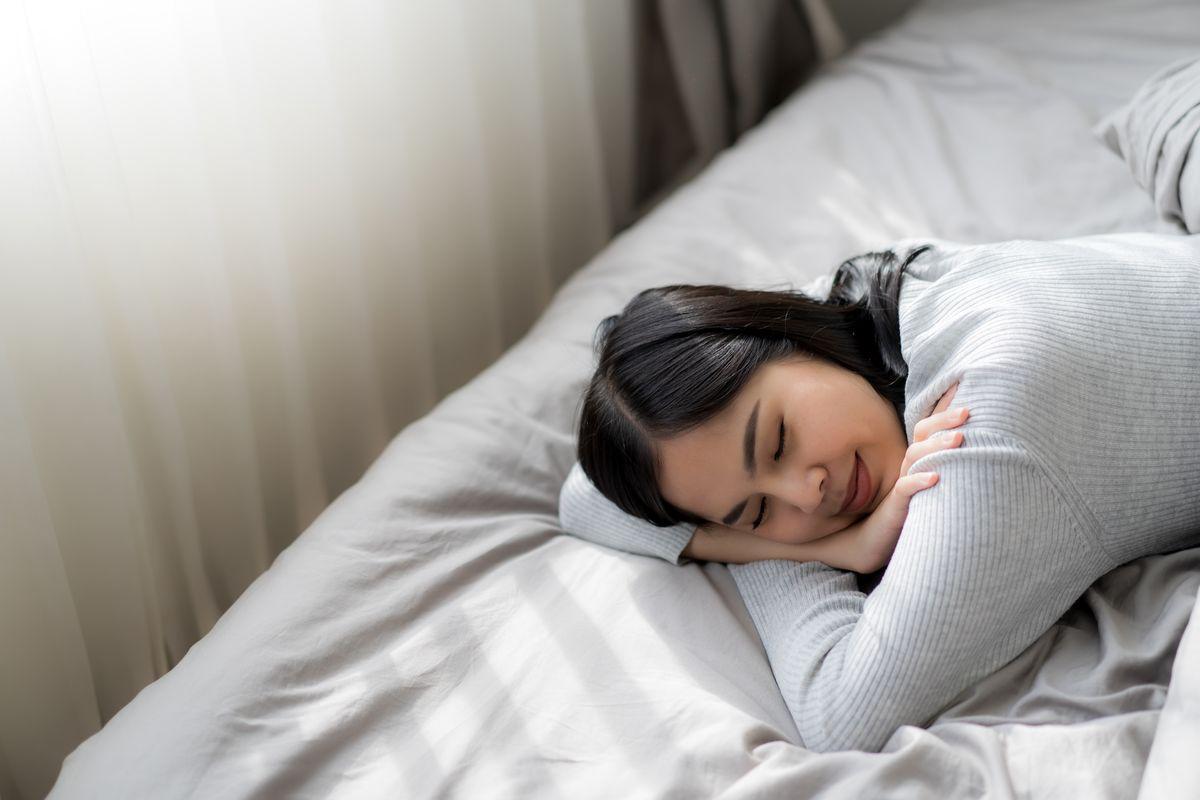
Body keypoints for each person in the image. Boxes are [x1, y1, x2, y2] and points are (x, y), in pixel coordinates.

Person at [558, 232, 1200, 753]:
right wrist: (835, 546)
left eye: (778, 441)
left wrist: (770, 546)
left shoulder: (980, 438)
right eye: (758, 510)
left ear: (792, 340)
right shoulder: (879, 299)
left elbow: (842, 713)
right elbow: (584, 498)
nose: (807, 497)